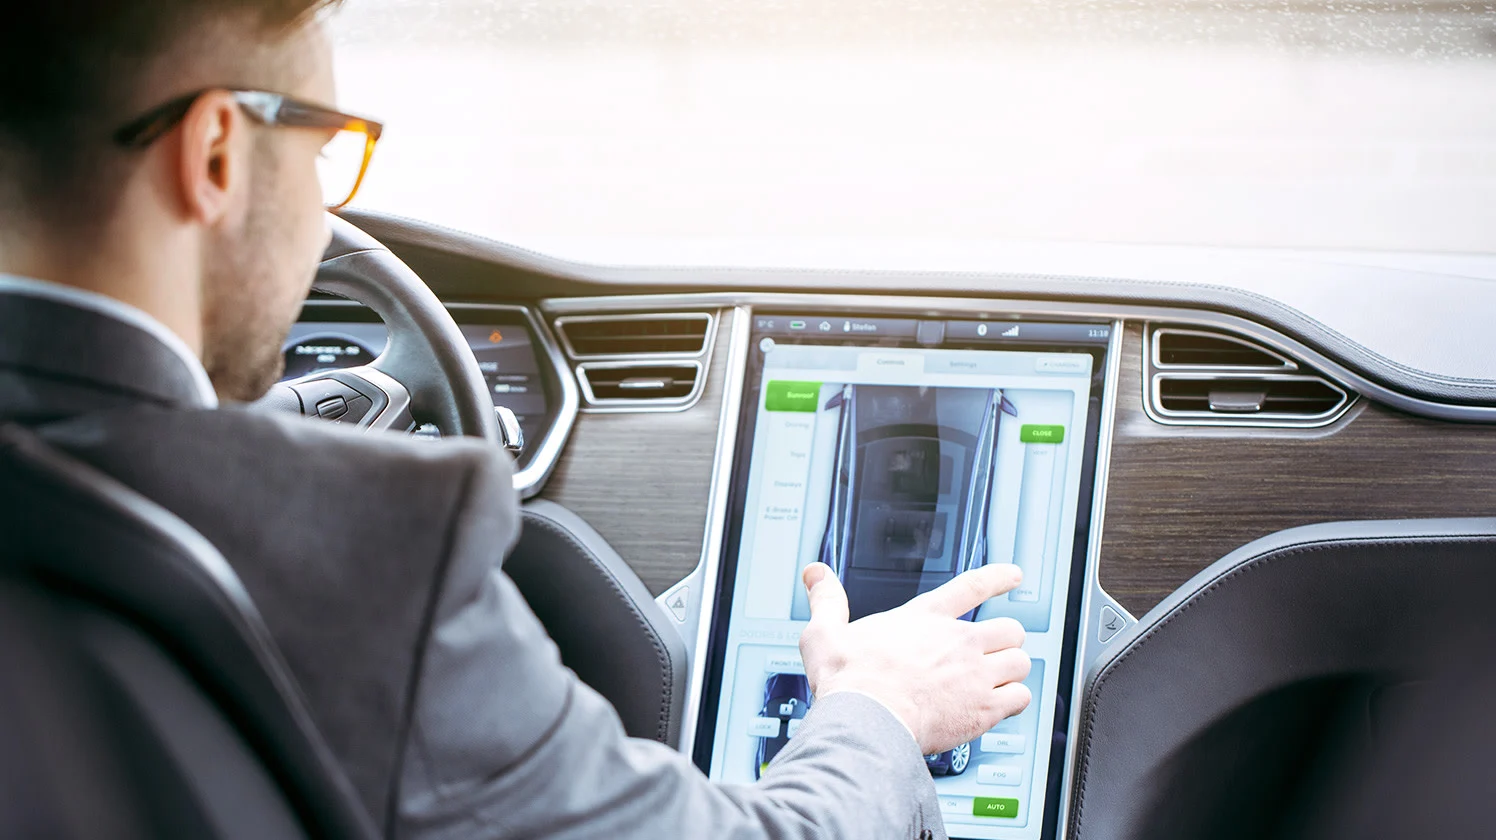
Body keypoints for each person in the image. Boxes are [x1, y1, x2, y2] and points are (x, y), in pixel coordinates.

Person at [0, 3, 1033, 838]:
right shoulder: (363, 549)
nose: (324, 218)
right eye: (323, 155)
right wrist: (878, 712)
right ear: (217, 154)